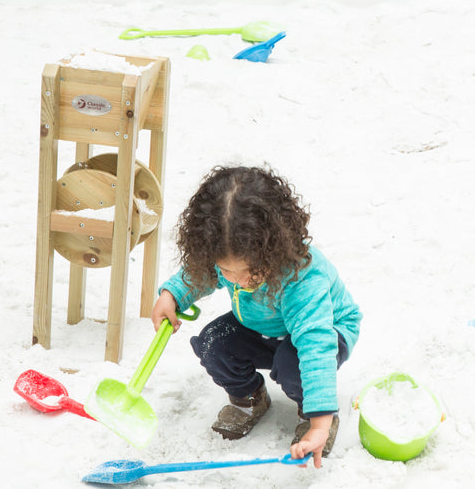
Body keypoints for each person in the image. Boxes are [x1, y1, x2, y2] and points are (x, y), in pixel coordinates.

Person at [151, 165, 361, 468]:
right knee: (214, 344)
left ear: (274, 248)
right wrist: (172, 295)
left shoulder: (303, 279)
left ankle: (312, 410)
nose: (238, 281)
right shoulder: (229, 255)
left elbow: (316, 349)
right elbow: (199, 275)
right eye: (226, 271)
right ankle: (250, 398)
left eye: (252, 272)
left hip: (325, 331)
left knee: (294, 364)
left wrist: (320, 424)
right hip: (263, 325)